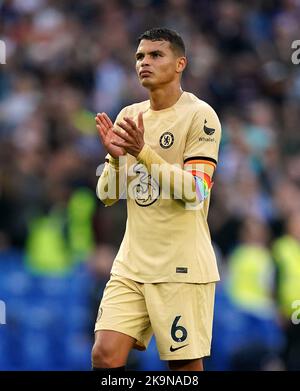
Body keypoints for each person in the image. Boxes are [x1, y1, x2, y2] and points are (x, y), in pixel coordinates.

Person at [92, 27, 222, 371]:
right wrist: (118, 159)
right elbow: (107, 196)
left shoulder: (200, 116)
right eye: (139, 57)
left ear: (180, 64)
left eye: (155, 55)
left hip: (180, 267)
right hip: (131, 263)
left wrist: (142, 152)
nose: (144, 62)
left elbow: (196, 191)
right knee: (104, 356)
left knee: (182, 370)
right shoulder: (129, 116)